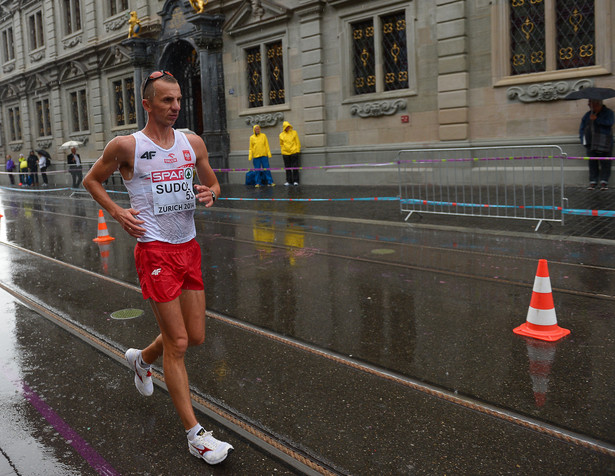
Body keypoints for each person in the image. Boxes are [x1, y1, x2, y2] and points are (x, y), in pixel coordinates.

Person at [82, 70, 233, 466]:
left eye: (178, 99)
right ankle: (195, 435)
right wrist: (117, 213)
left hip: (188, 248)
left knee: (195, 336)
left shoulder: (192, 142)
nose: (175, 106)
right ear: (147, 105)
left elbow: (214, 183)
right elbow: (92, 180)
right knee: (179, 343)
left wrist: (209, 192)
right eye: (166, 100)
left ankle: (141, 359)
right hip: (155, 252)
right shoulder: (127, 146)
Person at [580, 98, 614, 190]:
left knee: (605, 162)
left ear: (597, 103)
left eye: (590, 102)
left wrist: (597, 119)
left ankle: (604, 181)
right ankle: (593, 181)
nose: (588, 104)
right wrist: (582, 139)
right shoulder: (587, 115)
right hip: (591, 142)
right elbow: (582, 128)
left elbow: (609, 123)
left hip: (605, 142)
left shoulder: (608, 112)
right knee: (592, 162)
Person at [279, 121, 301, 186]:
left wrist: (297, 150)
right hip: (285, 153)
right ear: (284, 127)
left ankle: (296, 180)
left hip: (294, 152)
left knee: (295, 167)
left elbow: (297, 142)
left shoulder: (294, 133)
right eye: (286, 127)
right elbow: (281, 144)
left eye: (288, 126)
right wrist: (283, 151)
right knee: (287, 168)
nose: (288, 128)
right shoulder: (281, 135)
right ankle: (288, 181)